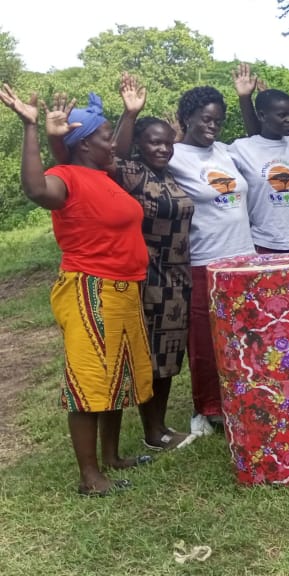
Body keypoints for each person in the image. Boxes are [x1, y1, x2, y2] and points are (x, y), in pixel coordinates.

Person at [1, 85, 154, 495]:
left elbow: (117, 143)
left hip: (124, 288)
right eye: (105, 137)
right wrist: (31, 128)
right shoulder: (64, 177)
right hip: (91, 288)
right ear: (85, 145)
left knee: (118, 377)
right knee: (90, 381)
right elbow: (35, 191)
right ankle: (90, 477)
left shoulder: (101, 173)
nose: (114, 143)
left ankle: (113, 457)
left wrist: (130, 115)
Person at [108, 74, 195, 451]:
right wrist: (130, 115)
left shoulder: (170, 175)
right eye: (153, 142)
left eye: (167, 142)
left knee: (171, 355)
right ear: (140, 146)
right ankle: (153, 430)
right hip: (151, 277)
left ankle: (158, 427)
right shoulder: (132, 174)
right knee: (153, 356)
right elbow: (113, 154)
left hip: (179, 277)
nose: (162, 148)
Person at [168, 84, 256, 437]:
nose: (212, 126)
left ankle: (246, 395)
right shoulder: (172, 154)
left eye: (218, 120)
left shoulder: (226, 151)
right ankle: (206, 409)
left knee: (246, 334)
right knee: (205, 341)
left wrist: (246, 98)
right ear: (187, 117)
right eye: (205, 119)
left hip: (244, 257)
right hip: (205, 260)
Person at [231, 74, 289, 254]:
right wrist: (244, 98)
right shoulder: (241, 148)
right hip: (264, 243)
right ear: (261, 115)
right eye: (282, 115)